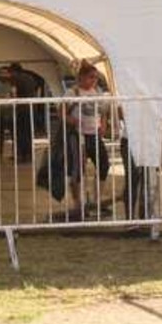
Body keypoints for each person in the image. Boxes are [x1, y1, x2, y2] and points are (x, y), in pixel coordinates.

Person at [64, 62, 112, 215]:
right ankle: (79, 202)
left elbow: (104, 111)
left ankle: (96, 199)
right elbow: (62, 112)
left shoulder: (96, 92)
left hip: (94, 134)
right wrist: (71, 120)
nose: (93, 81)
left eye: (96, 78)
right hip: (78, 135)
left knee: (103, 164)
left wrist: (103, 125)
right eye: (91, 77)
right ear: (81, 77)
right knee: (78, 169)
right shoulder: (73, 92)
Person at [7, 62, 41, 164]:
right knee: (29, 132)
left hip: (21, 108)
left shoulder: (15, 78)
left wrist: (11, 99)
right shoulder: (30, 77)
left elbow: (14, 92)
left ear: (14, 71)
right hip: (32, 107)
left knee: (20, 132)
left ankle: (21, 155)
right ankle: (29, 155)